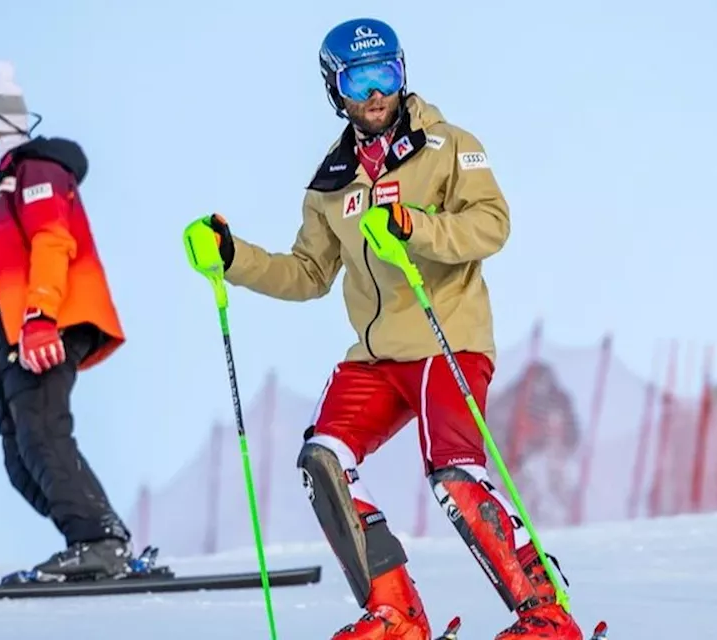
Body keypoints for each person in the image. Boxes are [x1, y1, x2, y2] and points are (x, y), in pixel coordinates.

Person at [184, 18, 584, 640]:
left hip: (445, 337)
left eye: (388, 75)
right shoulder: (330, 182)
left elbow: (492, 224)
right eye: (361, 79)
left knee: (453, 470)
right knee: (324, 459)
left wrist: (415, 227)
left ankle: (546, 614)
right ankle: (395, 613)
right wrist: (233, 258)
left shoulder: (448, 146)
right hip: (375, 355)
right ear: (335, 89)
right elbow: (310, 272)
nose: (377, 93)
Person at [0, 60, 135, 582]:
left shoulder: (34, 173)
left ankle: (99, 543)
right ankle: (97, 540)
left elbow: (53, 241)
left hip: (44, 324)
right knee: (21, 456)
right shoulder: (1, 190)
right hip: (13, 339)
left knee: (42, 435)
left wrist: (39, 317)